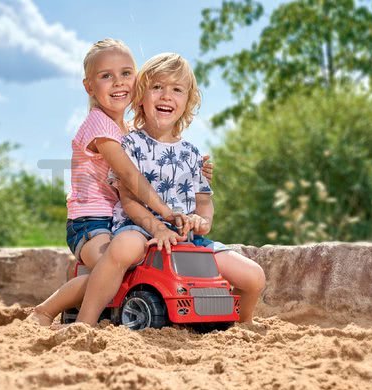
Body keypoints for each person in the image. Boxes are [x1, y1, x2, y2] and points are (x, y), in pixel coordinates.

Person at [27, 39, 212, 326]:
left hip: (116, 217)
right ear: (89, 87)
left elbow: (154, 166)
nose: (118, 82)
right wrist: (165, 214)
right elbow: (130, 177)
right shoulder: (99, 126)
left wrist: (191, 170)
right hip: (90, 222)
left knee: (125, 265)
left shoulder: (126, 130)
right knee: (110, 267)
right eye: (106, 76)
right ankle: (47, 311)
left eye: (126, 73)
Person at [75, 52, 265, 326]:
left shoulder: (191, 153)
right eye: (157, 87)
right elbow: (128, 201)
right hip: (139, 228)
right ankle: (85, 322)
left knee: (254, 276)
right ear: (140, 95)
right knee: (124, 249)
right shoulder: (130, 144)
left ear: (188, 101)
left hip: (186, 238)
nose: (166, 96)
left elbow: (204, 201)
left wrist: (203, 222)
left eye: (177, 89)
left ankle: (240, 325)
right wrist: (157, 227)